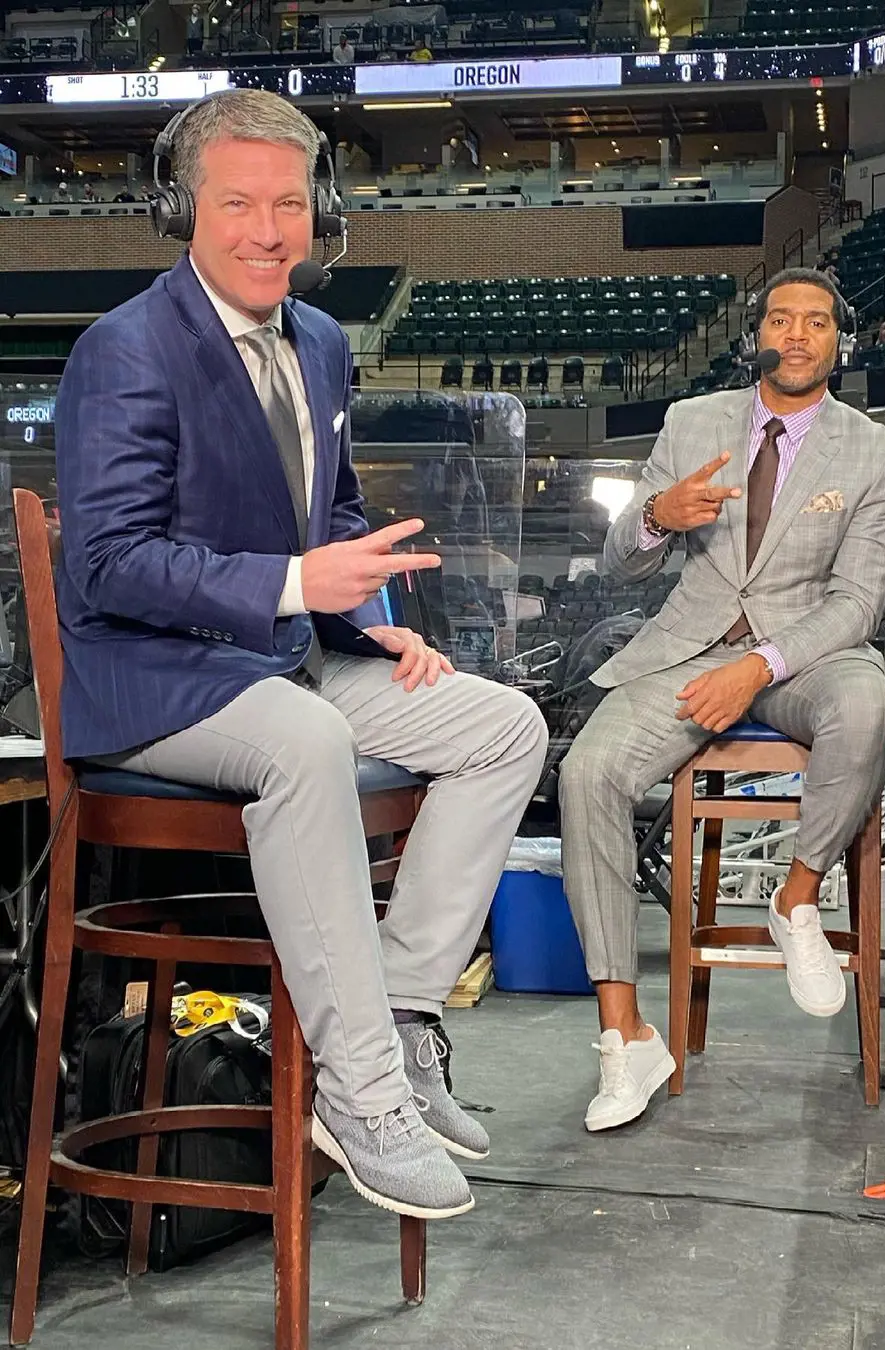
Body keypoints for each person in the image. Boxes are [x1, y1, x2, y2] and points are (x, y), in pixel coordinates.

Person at [55, 90, 547, 1219]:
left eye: (289, 203)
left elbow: (330, 513)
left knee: (502, 725)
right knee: (312, 740)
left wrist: (363, 608)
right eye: (238, 204)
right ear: (184, 209)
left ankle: (410, 1017)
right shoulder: (122, 349)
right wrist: (290, 584)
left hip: (283, 657)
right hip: (153, 676)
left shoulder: (321, 340)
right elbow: (111, 564)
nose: (269, 231)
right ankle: (359, 1091)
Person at [559, 267, 885, 1132]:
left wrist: (758, 667)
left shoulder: (877, 451)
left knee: (868, 706)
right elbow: (620, 563)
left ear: (839, 340)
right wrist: (656, 518)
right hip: (687, 645)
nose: (796, 335)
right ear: (757, 333)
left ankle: (797, 895)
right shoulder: (691, 422)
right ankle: (626, 1036)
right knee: (587, 776)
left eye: (816, 323)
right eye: (781, 319)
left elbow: (859, 604)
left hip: (808, 655)